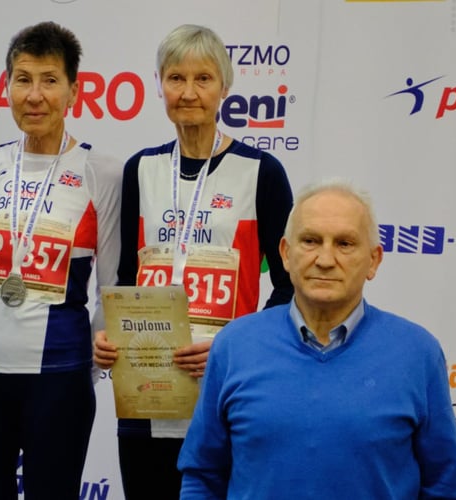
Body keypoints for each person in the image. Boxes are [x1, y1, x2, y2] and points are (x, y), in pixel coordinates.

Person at [93, 24, 293, 499]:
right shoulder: (140, 168)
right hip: (146, 384)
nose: (188, 93)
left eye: (203, 79)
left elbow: (288, 286)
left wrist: (234, 346)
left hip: (226, 385)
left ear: (225, 87)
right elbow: (127, 278)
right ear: (159, 84)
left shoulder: (261, 173)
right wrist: (109, 335)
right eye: (176, 78)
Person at [178, 179, 456, 499]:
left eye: (344, 243)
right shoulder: (234, 346)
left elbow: (445, 486)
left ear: (373, 260)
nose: (325, 259)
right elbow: (202, 477)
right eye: (310, 241)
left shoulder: (418, 354)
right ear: (286, 255)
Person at [0, 21, 122, 499]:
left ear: (74, 91)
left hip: (59, 374)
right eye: (23, 79)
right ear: (6, 87)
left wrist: (84, 363)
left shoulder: (100, 172)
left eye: (50, 80)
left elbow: (109, 284)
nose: (35, 95)